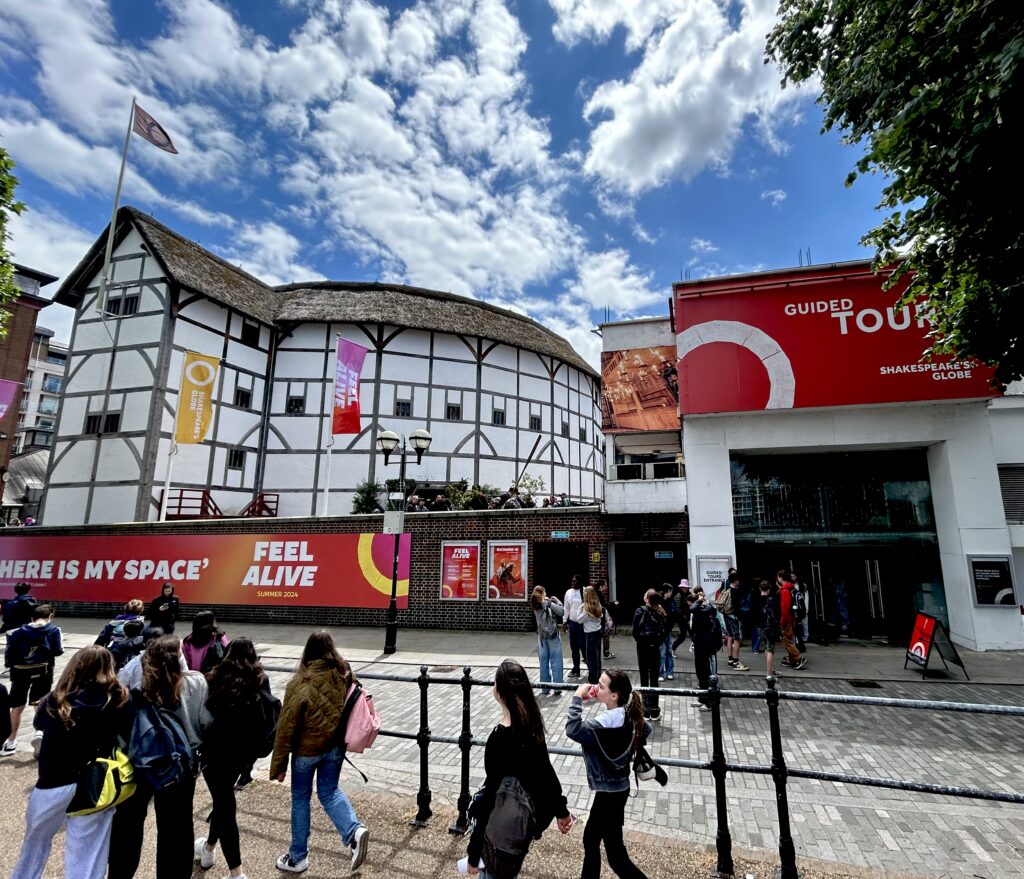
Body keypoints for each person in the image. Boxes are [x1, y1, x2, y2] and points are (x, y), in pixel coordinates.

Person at [9, 645, 132, 879]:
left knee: (35, 842)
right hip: (96, 780)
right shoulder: (120, 698)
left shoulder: (55, 700)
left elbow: (39, 725)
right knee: (87, 852)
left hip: (52, 780)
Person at [108, 636, 211, 879]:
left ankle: (120, 874)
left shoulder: (134, 688)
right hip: (180, 766)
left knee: (128, 825)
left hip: (139, 763)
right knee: (176, 829)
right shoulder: (196, 682)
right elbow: (206, 723)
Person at [270, 630, 369, 873]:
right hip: (334, 747)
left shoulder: (299, 682)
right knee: (330, 792)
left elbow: (286, 727)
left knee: (301, 798)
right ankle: (354, 830)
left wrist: (279, 765)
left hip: (306, 751)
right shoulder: (343, 674)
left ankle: (297, 857)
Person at [464, 659, 572, 876]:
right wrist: (561, 811)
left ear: (500, 691)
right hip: (521, 827)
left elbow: (490, 796)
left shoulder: (499, 737)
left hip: (497, 829)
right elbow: (546, 773)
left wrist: (474, 852)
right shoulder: (532, 726)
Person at [195, 638, 274, 879]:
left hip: (214, 752)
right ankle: (208, 848)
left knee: (224, 805)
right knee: (223, 803)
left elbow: (203, 715)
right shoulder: (260, 679)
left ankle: (236, 873)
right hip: (242, 754)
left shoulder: (213, 679)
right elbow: (264, 723)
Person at [566, 669, 652, 879]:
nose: (596, 686)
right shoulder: (628, 715)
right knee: (602, 844)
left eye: (601, 686)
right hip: (619, 787)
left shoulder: (602, 723)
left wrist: (577, 698)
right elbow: (646, 729)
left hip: (608, 792)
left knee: (610, 851)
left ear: (614, 695)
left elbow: (573, 729)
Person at [3, 603, 63, 757]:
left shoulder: (16, 632)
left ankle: (11, 742)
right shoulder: (53, 630)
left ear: (32, 617)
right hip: (43, 671)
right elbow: (57, 651)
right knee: (40, 702)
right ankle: (40, 733)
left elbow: (9, 654)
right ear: (50, 616)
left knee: (17, 706)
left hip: (19, 672)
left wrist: (11, 666)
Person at [631, 589, 665, 721]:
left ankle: (645, 711)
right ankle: (655, 710)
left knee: (644, 677)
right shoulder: (660, 611)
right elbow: (664, 631)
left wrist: (641, 642)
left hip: (643, 648)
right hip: (655, 648)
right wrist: (656, 642)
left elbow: (634, 630)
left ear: (647, 599)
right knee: (654, 678)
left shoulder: (640, 610)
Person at [689, 588, 721, 713]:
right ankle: (702, 698)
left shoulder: (706, 610)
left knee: (704, 672)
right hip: (699, 644)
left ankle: (708, 701)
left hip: (704, 645)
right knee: (700, 672)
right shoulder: (702, 611)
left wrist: (700, 600)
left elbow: (693, 608)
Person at [530, 586, 564, 696]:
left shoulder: (535, 604)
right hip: (553, 635)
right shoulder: (547, 603)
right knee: (556, 662)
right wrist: (555, 601)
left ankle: (545, 688)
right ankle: (557, 687)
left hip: (541, 637)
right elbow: (561, 612)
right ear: (543, 593)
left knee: (543, 663)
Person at [717, 572, 750, 671]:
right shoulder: (736, 591)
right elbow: (737, 607)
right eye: (738, 580)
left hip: (727, 616)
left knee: (730, 637)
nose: (739, 582)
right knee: (737, 639)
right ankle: (736, 662)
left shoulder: (727, 590)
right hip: (734, 617)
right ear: (735, 581)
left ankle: (730, 659)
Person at [776, 571, 805, 669]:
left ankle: (797, 657)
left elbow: (785, 608)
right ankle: (792, 659)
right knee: (788, 639)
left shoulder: (785, 590)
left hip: (787, 619)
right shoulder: (791, 587)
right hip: (792, 618)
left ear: (780, 578)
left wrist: (782, 621)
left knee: (786, 639)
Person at [756, 580, 781, 678]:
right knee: (770, 650)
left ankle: (772, 670)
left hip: (761, 626)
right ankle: (769, 674)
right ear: (769, 589)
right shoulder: (772, 600)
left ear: (760, 589)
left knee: (766, 648)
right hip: (770, 627)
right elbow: (777, 615)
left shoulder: (757, 600)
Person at [581, 586, 604, 685]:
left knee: (591, 658)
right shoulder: (597, 604)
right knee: (597, 657)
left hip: (590, 634)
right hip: (597, 632)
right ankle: (598, 678)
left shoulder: (586, 608)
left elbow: (579, 619)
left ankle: (592, 680)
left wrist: (581, 609)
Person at [563, 575, 585, 679]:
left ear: (579, 582)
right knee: (574, 646)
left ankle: (590, 666)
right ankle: (576, 668)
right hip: (572, 622)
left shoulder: (585, 591)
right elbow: (566, 608)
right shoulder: (568, 592)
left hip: (582, 623)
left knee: (583, 645)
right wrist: (564, 621)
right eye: (572, 581)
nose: (572, 583)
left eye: (574, 581)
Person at [596, 580, 619, 660]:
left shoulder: (595, 593)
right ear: (600, 586)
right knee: (605, 634)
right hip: (601, 617)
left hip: (597, 618)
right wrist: (613, 604)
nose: (606, 587)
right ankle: (606, 653)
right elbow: (604, 606)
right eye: (605, 586)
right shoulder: (599, 594)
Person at [657, 583, 676, 681]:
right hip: (661, 631)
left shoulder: (670, 601)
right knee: (662, 652)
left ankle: (669, 672)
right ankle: (661, 673)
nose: (671, 593)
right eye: (671, 591)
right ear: (667, 591)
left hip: (667, 630)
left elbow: (672, 615)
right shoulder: (659, 602)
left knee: (667, 651)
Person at [671, 580, 692, 654]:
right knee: (682, 636)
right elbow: (678, 610)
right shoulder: (678, 596)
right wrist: (686, 618)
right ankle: (673, 648)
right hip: (682, 620)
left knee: (693, 635)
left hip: (690, 618)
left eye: (686, 587)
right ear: (681, 587)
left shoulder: (690, 594)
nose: (685, 588)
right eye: (683, 587)